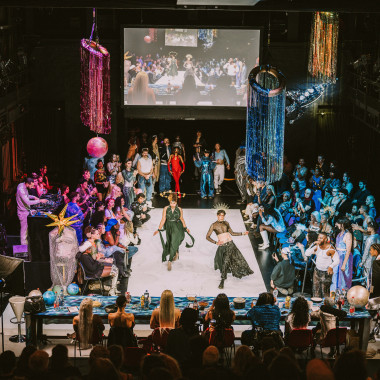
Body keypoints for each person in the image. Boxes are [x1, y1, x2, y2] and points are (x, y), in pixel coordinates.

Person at [206, 209, 253, 289]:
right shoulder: (213, 225)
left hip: (231, 244)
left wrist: (242, 233)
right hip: (223, 246)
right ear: (217, 215)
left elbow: (232, 233)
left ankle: (224, 279)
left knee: (236, 260)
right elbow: (207, 236)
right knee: (225, 262)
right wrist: (216, 242)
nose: (222, 217)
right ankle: (222, 279)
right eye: (220, 215)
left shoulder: (226, 223)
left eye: (223, 215)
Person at [154, 193, 193, 271]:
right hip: (168, 226)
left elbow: (182, 219)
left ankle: (170, 260)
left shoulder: (179, 209)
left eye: (174, 203)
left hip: (177, 226)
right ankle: (176, 252)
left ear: (176, 202)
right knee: (170, 241)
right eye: (171, 203)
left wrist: (185, 227)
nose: (172, 204)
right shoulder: (165, 208)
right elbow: (163, 219)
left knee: (174, 241)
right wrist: (159, 229)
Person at [305, 232, 339, 298]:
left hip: (326, 273)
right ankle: (316, 306)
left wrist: (331, 266)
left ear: (326, 239)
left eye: (321, 238)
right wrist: (312, 245)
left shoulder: (331, 249)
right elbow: (307, 253)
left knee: (325, 292)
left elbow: (337, 260)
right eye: (318, 238)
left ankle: (325, 306)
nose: (319, 239)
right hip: (317, 271)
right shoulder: (317, 247)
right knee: (316, 291)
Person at [16, 177, 47, 245]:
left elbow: (26, 196)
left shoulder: (22, 185)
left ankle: (27, 245)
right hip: (22, 212)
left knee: (26, 230)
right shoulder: (21, 189)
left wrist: (33, 197)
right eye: (32, 185)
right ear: (27, 184)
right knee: (24, 232)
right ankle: (24, 249)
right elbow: (28, 202)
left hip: (26, 210)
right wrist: (40, 200)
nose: (33, 187)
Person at [332, 217, 354, 292]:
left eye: (338, 223)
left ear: (342, 225)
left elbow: (348, 251)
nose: (336, 224)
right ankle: (334, 294)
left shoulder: (348, 234)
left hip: (344, 257)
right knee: (335, 276)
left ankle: (342, 297)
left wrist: (344, 264)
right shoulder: (339, 233)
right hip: (338, 256)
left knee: (343, 279)